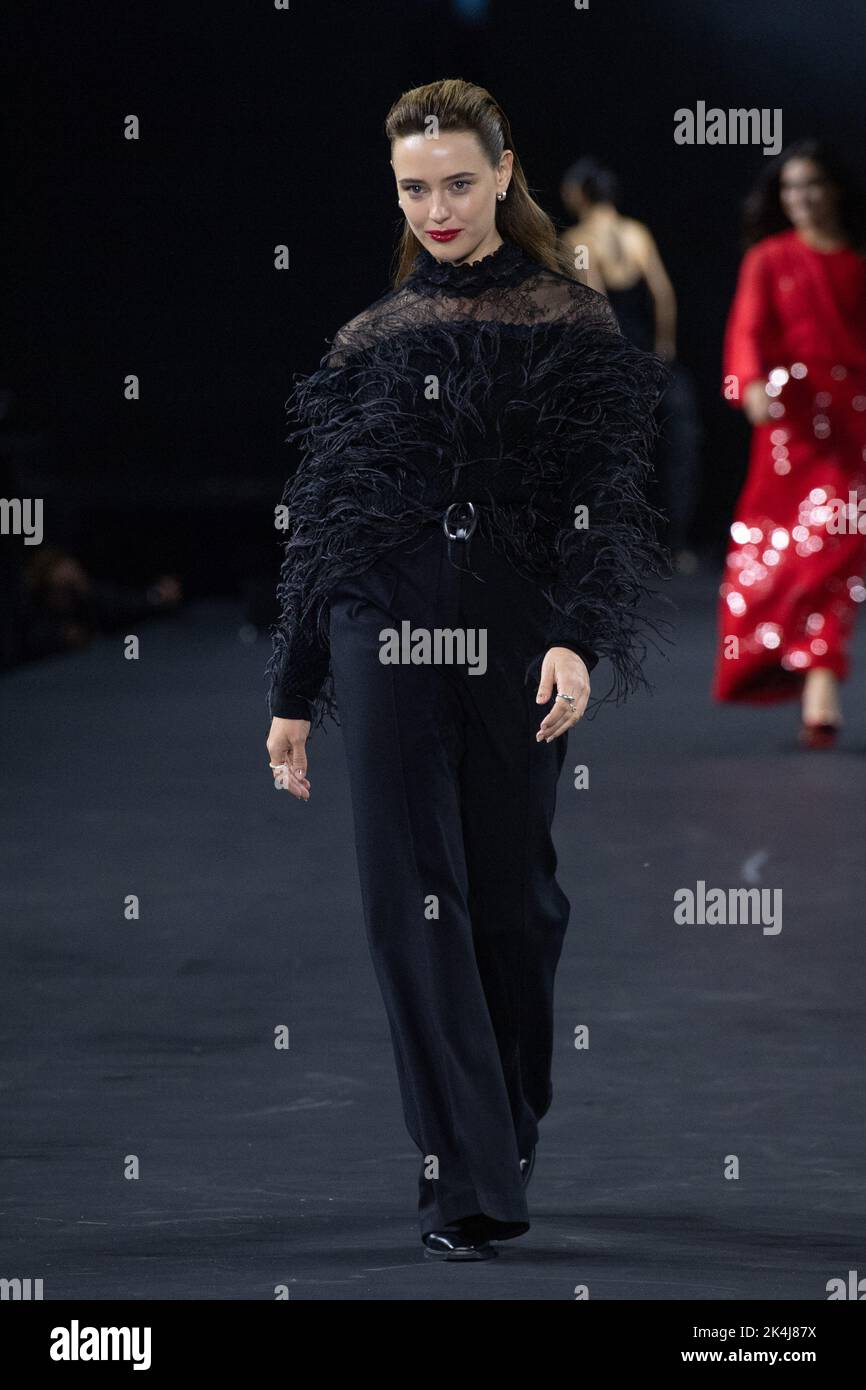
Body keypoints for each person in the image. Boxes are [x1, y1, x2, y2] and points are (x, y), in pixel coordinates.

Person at [264, 79, 668, 1261]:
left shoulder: (570, 320)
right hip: (377, 620)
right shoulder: (367, 337)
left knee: (512, 904)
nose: (434, 206)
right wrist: (293, 692)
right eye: (411, 187)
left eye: (454, 181)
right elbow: (323, 519)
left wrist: (576, 638)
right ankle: (464, 1183)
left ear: (502, 174)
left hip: (514, 625)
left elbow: (603, 499)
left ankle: (501, 1134)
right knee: (408, 903)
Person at [712, 140, 866, 746]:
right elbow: (746, 329)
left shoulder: (858, 260)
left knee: (839, 547)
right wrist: (747, 384)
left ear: (834, 191)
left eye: (813, 185)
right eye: (790, 188)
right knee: (784, 555)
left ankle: (821, 682)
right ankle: (807, 670)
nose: (801, 198)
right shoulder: (769, 259)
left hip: (855, 426)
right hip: (790, 429)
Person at [559, 157, 700, 566]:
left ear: (579, 194)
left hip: (615, 357)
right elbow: (664, 294)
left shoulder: (579, 239)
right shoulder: (638, 233)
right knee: (675, 448)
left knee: (611, 452)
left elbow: (596, 301)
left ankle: (612, 544)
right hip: (654, 358)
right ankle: (676, 546)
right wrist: (665, 348)